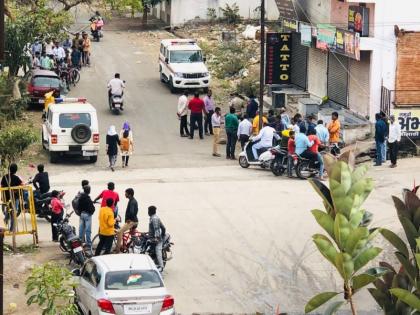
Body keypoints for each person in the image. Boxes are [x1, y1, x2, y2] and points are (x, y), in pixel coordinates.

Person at [116, 188, 138, 253]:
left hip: (132, 221)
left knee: (119, 232)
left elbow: (132, 212)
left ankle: (117, 250)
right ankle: (127, 245)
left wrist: (129, 219)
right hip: (133, 220)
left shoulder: (132, 202)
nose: (125, 194)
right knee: (132, 236)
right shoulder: (132, 200)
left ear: (129, 194)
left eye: (126, 193)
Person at [148, 205, 165, 272]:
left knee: (158, 251)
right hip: (152, 237)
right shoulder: (154, 217)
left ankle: (161, 267)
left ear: (151, 211)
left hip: (156, 239)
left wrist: (157, 238)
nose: (148, 212)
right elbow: (163, 228)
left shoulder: (154, 219)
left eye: (148, 211)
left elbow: (156, 229)